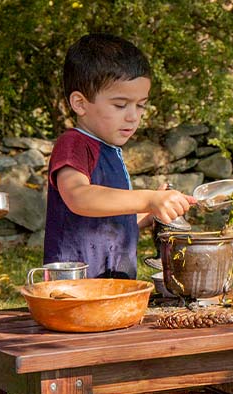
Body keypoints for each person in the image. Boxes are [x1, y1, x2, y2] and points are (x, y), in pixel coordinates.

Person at [44, 33, 194, 279]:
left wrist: (151, 211)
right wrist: (147, 198)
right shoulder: (74, 144)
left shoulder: (111, 150)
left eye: (140, 105)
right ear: (80, 104)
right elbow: (79, 197)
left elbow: (107, 222)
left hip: (114, 285)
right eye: (120, 105)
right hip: (75, 290)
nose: (133, 116)